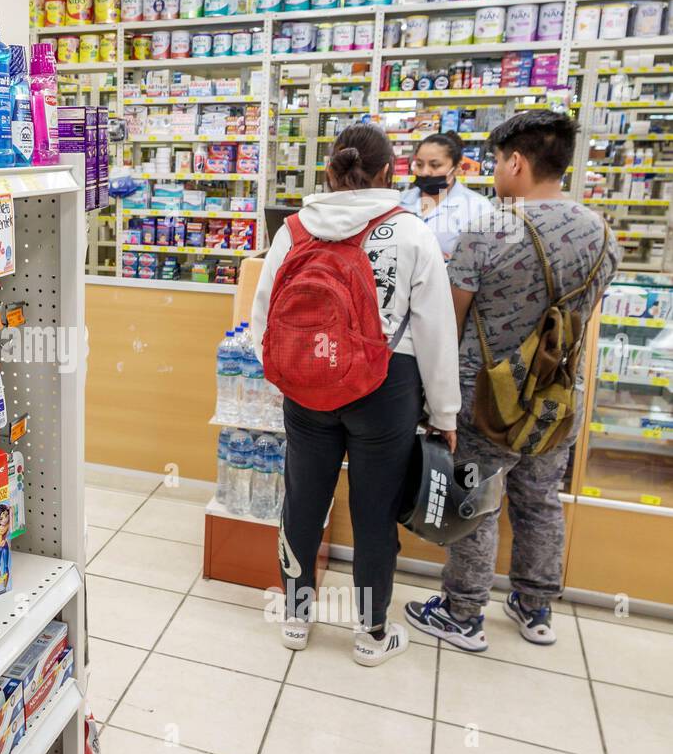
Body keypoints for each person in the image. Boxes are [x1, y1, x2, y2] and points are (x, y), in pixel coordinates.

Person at [406, 111, 619, 650]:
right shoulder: (600, 231)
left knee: (476, 496)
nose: (498, 171)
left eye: (499, 161)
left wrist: (434, 399)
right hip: (557, 395)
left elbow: (448, 319)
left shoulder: (491, 227)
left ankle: (463, 613)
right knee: (541, 496)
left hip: (487, 397)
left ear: (516, 162)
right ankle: (534, 605)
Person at [251, 123, 460, 667]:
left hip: (308, 387)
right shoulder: (411, 232)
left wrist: (292, 375)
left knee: (303, 502)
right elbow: (437, 332)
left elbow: (262, 319)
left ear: (329, 172)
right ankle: (371, 634)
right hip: (385, 387)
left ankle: (296, 618)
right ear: (391, 173)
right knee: (373, 511)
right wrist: (446, 412)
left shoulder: (294, 230)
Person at [399, 130, 493, 258]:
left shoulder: (478, 207)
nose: (425, 172)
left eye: (435, 165)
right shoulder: (400, 201)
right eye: (419, 165)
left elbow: (487, 257)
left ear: (457, 167)